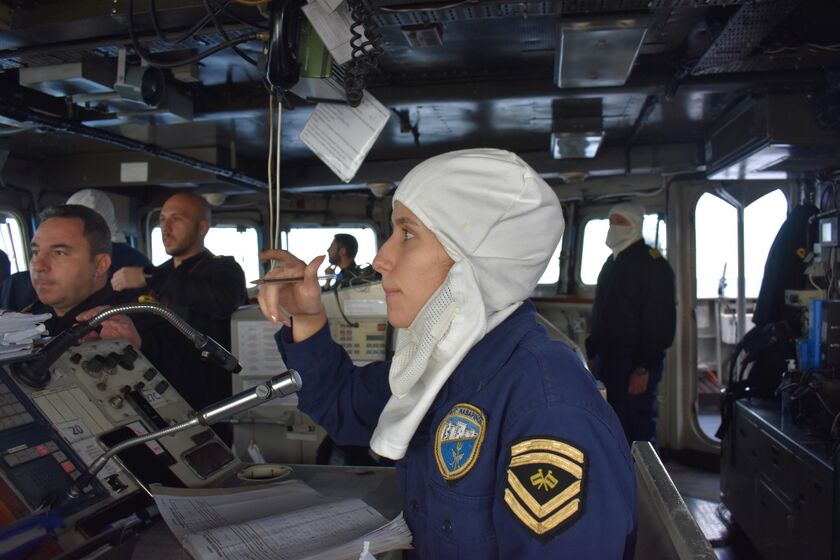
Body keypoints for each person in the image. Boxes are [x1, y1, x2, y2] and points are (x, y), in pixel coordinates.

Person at [259, 149, 636, 558]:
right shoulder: (439, 361)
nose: (381, 259)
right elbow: (342, 405)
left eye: (407, 234)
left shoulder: (549, 408)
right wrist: (307, 317)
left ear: (473, 260)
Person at [111, 192, 247, 412]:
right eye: (162, 219)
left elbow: (223, 300)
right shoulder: (157, 274)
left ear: (202, 228)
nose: (165, 228)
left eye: (176, 219)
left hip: (208, 394)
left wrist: (150, 278)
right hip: (157, 385)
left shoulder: (223, 269)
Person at [586, 202, 676, 446]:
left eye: (620, 221)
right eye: (611, 221)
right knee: (612, 423)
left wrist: (643, 368)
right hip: (608, 360)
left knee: (636, 428)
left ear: (635, 225)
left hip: (633, 365)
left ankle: (640, 472)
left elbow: (659, 321)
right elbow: (602, 311)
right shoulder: (612, 262)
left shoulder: (652, 264)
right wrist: (592, 352)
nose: (614, 226)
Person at [1, 188, 152, 312]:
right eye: (36, 252)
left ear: (101, 264)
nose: (39, 266)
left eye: (59, 253)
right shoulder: (23, 302)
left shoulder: (127, 324)